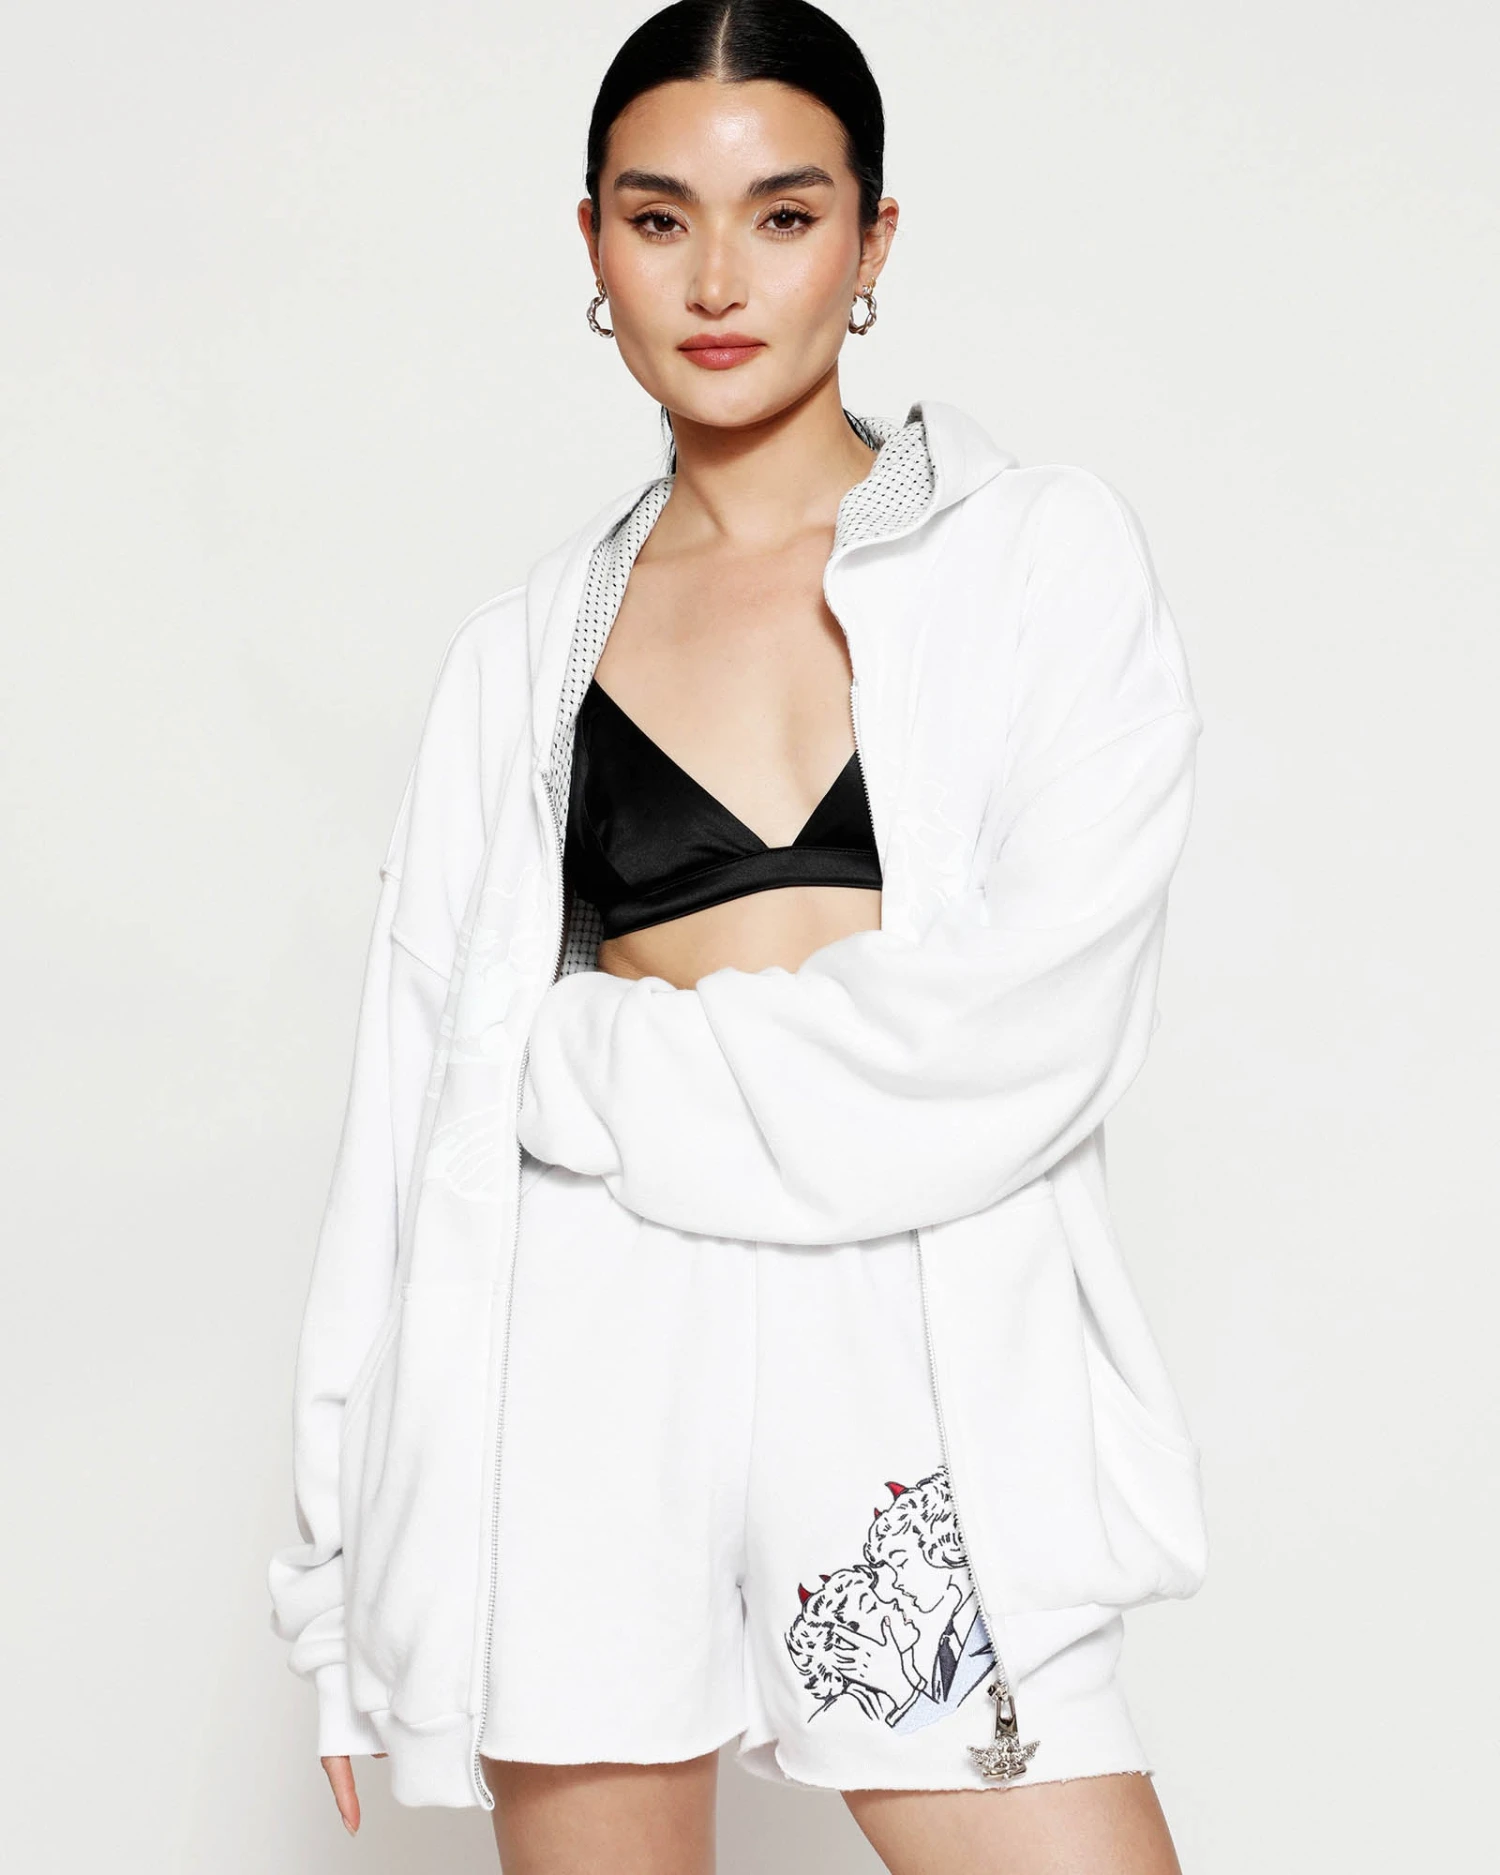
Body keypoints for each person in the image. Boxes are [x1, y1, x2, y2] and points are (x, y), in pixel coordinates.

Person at [266, 4, 1209, 1871]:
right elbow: (410, 1124)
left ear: (871, 242)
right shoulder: (518, 660)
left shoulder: (1037, 561)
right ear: (593, 243)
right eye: (657, 218)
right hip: (580, 1358)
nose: (716, 279)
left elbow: (1025, 1032)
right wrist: (332, 1577)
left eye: (783, 216)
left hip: (911, 1347)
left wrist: (576, 1053)